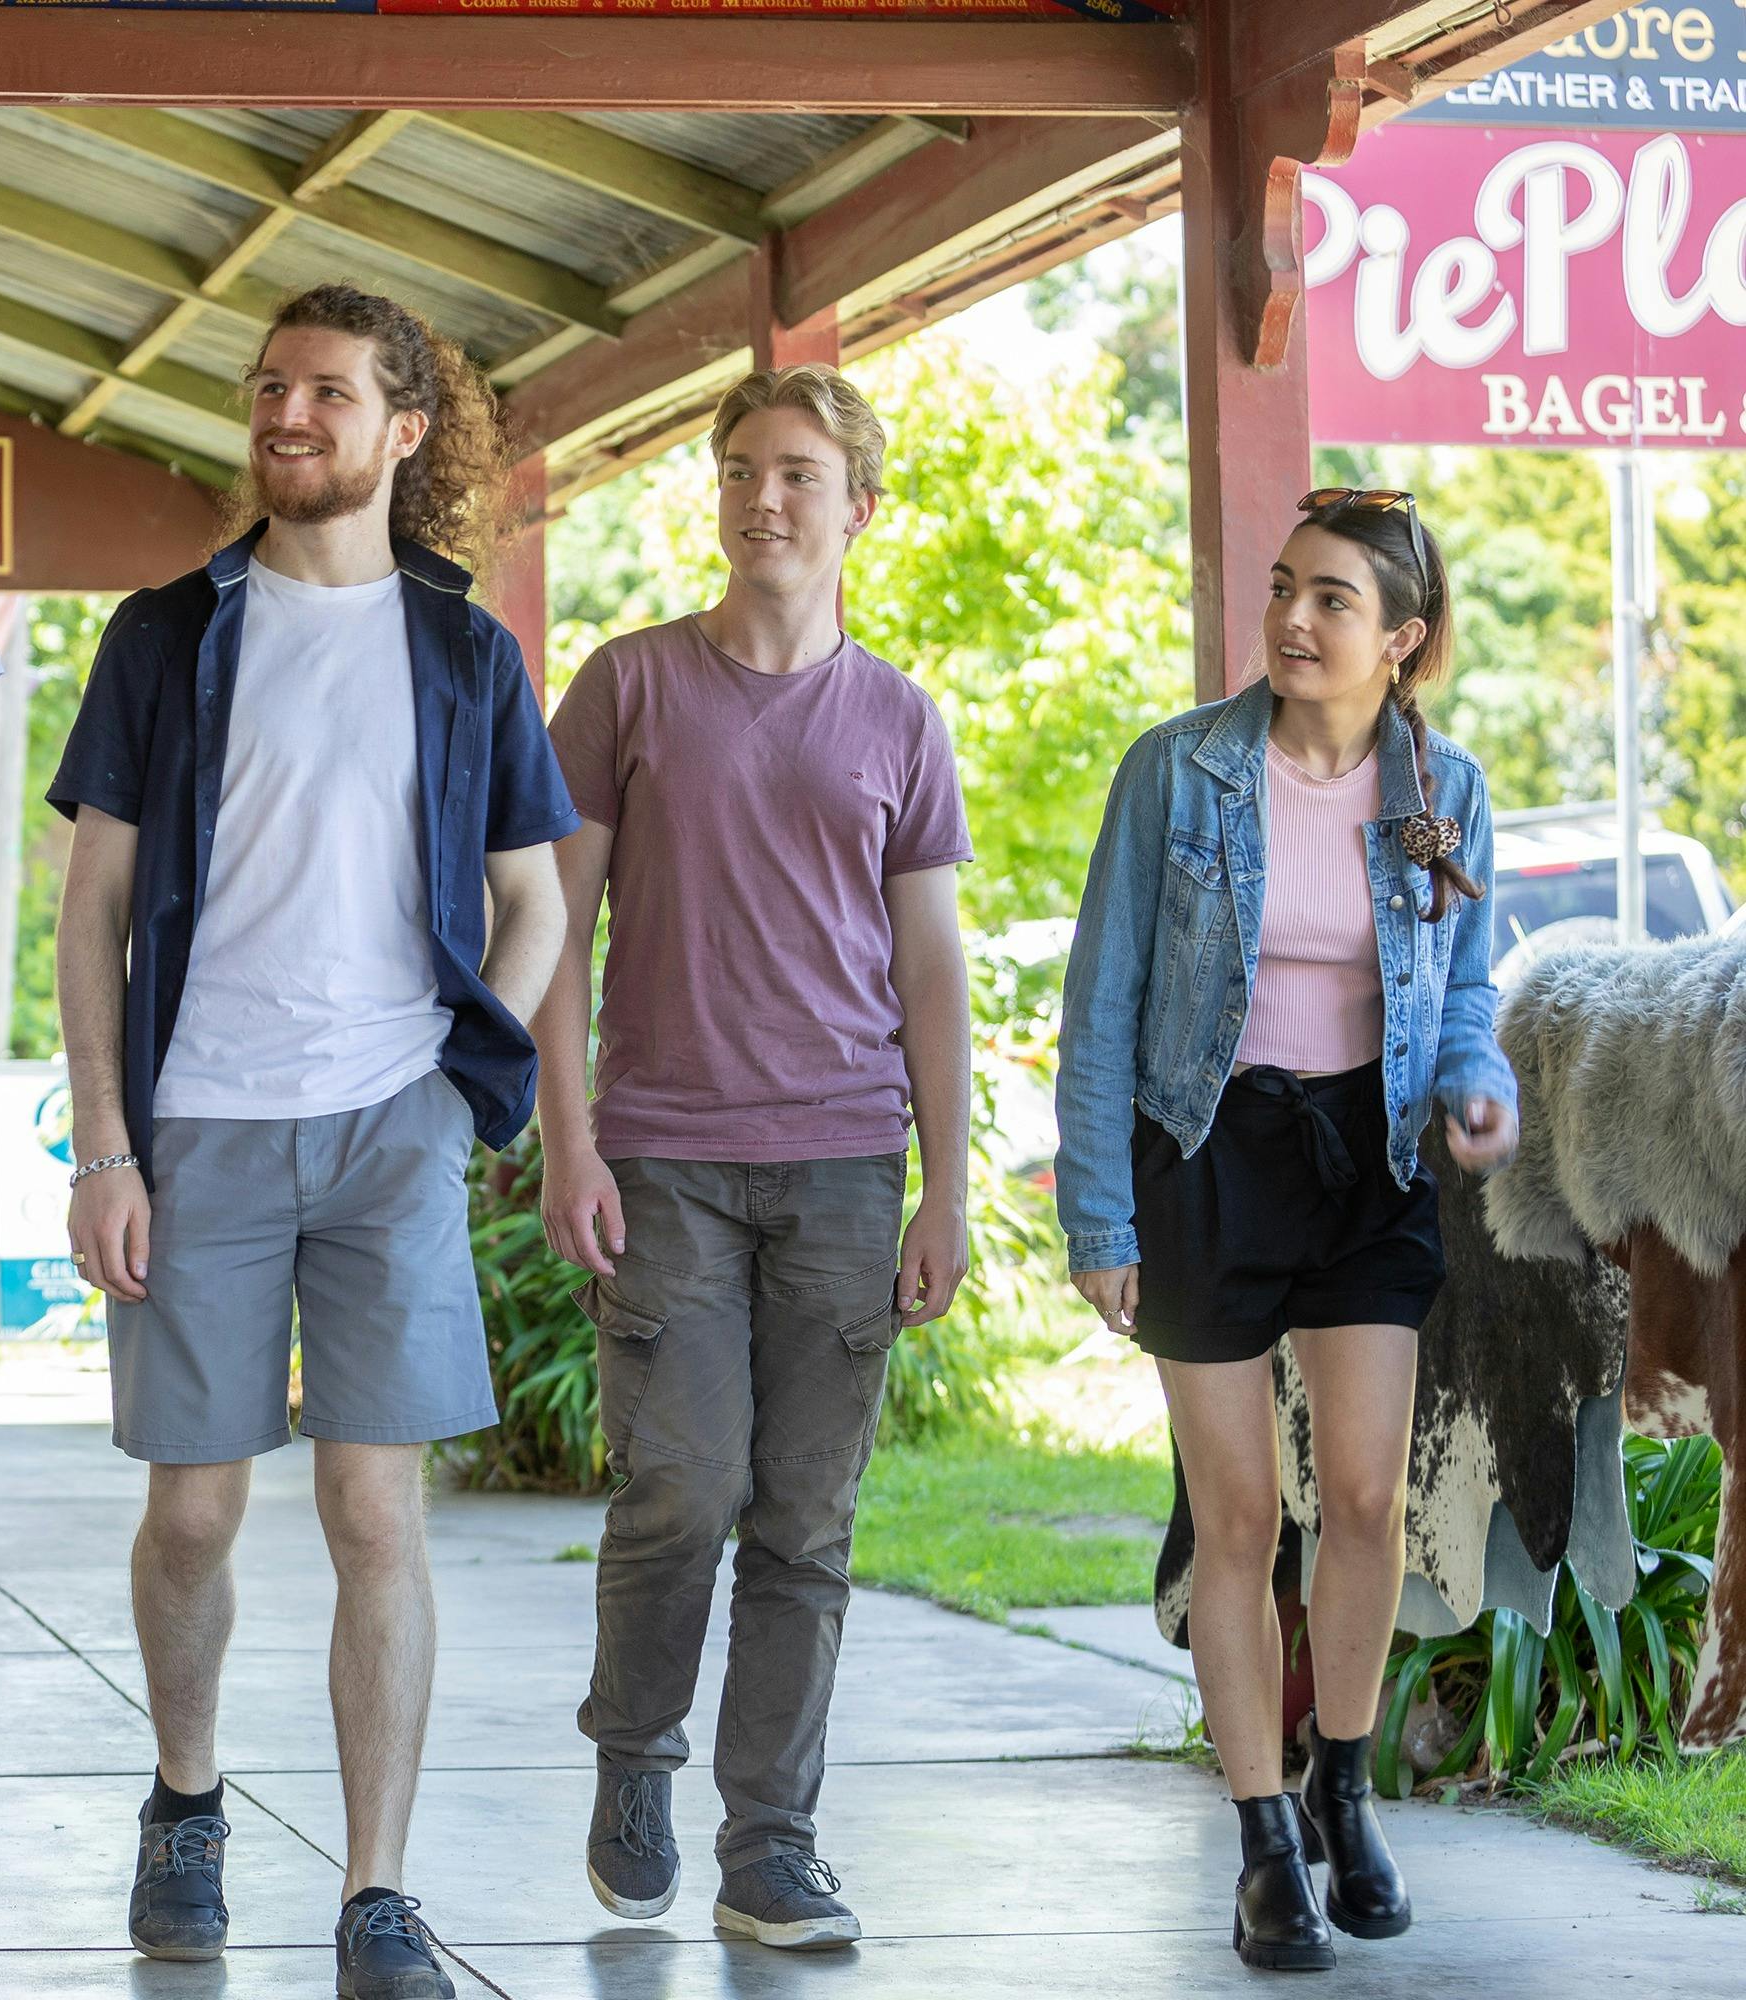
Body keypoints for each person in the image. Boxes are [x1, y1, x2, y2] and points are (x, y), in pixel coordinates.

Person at [51, 283, 575, 2000]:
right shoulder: (165, 635)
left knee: (373, 1510)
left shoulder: (466, 653)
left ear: (405, 429)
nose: (286, 414)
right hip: (199, 1123)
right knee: (194, 1516)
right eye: (271, 386)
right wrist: (105, 1147)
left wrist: (456, 1085)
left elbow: (533, 899)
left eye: (327, 392)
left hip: (388, 1129)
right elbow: (95, 905)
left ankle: (376, 1893)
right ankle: (188, 1798)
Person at [534, 364, 973, 1951]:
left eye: (795, 473)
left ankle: (771, 1846)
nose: (761, 498)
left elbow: (931, 965)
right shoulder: (629, 686)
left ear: (862, 507)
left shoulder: (899, 718)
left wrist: (948, 1186)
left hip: (849, 1163)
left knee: (805, 1520)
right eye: (738, 470)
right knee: (683, 1486)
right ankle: (634, 1761)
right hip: (663, 1160)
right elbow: (555, 927)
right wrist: (566, 1139)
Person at [1053, 488, 1518, 1974]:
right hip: (1206, 1155)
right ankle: (1264, 1840)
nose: (1294, 620)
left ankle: (1343, 1786)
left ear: (1404, 639)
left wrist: (1478, 1086)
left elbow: (1465, 988)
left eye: (1332, 600)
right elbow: (1102, 1000)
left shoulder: (1446, 789)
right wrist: (1098, 1211)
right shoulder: (1178, 770)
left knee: (1367, 1499)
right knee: (1240, 1518)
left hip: (1370, 1159)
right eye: (1282, 588)